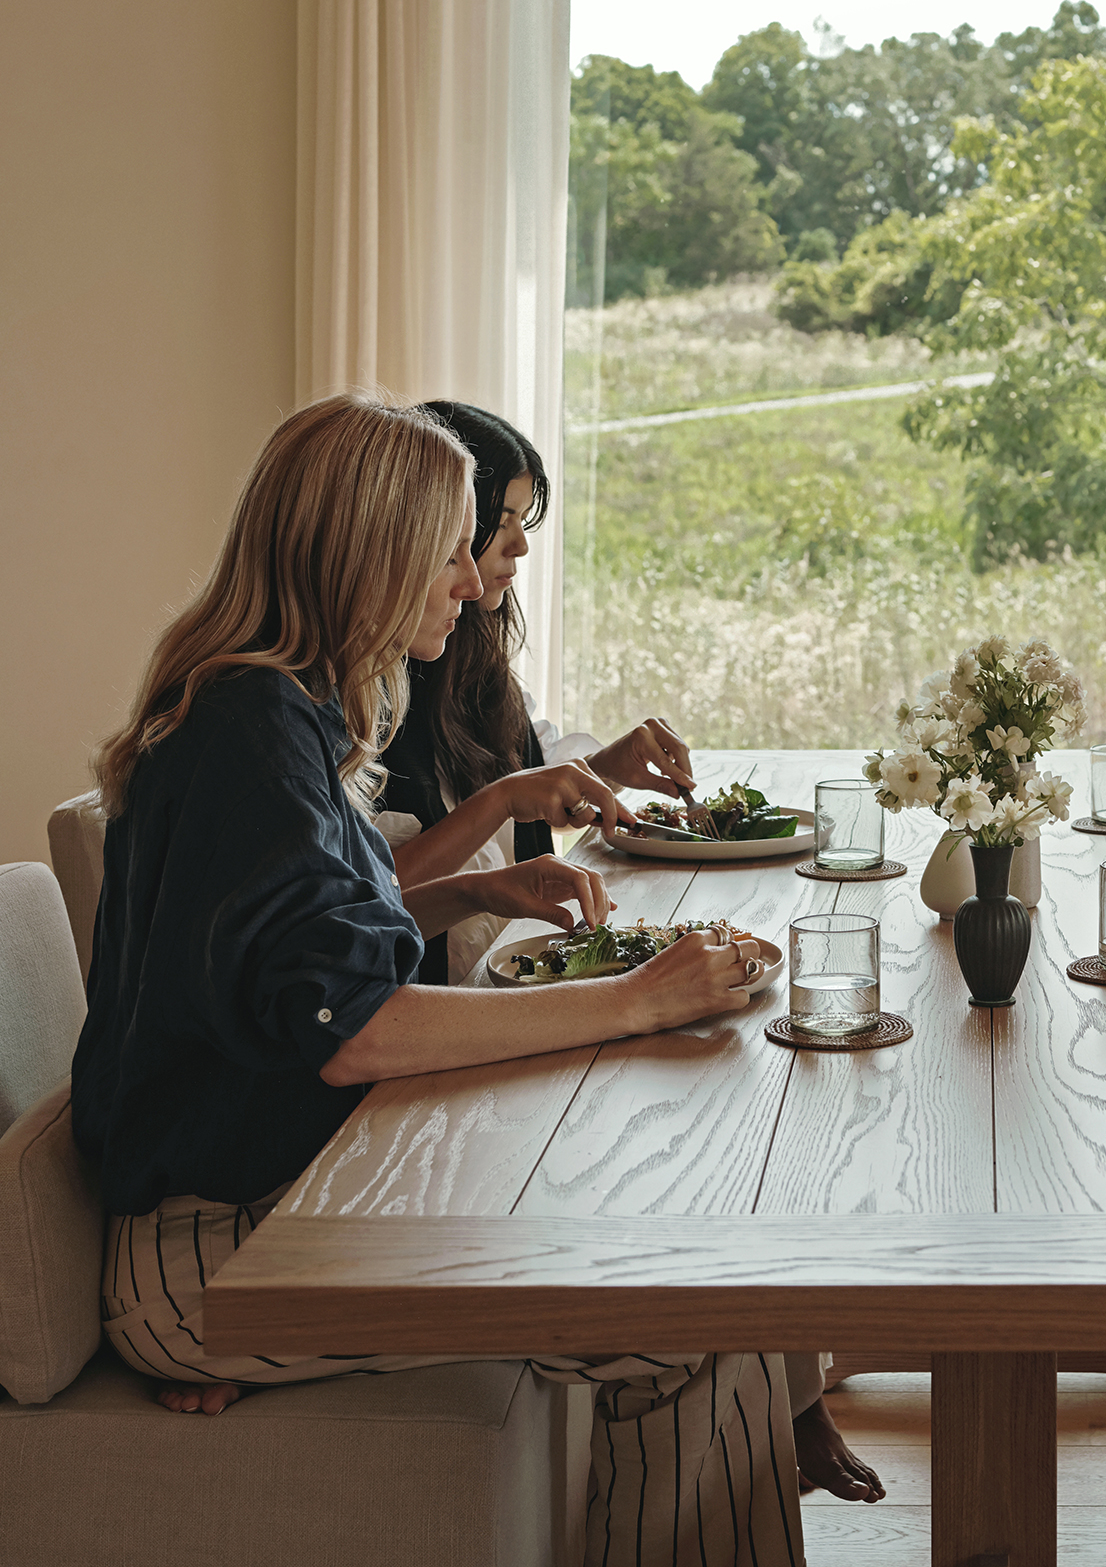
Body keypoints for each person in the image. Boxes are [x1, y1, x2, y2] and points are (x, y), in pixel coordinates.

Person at [72, 392, 805, 1564]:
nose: (471, 584)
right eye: (451, 549)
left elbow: (266, 978)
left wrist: (463, 895)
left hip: (258, 1216)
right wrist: (636, 1000)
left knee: (684, 1258)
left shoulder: (270, 707)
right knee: (692, 1327)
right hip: (222, 1258)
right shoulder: (251, 731)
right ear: (367, 553)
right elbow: (347, 1029)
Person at [371, 397, 884, 1507]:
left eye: (511, 532)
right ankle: (781, 1405)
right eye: (487, 533)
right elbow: (374, 911)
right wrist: (513, 814)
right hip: (457, 1014)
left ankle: (793, 1402)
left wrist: (574, 777)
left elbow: (462, 842)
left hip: (487, 977)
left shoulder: (459, 655)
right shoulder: (342, 701)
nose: (497, 562)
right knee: (699, 1119)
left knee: (719, 1096)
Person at [371, 400, 695, 987]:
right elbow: (364, 898)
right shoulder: (375, 684)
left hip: (503, 978)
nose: (519, 547)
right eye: (500, 524)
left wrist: (601, 768)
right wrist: (501, 799)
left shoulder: (470, 659)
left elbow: (511, 801)